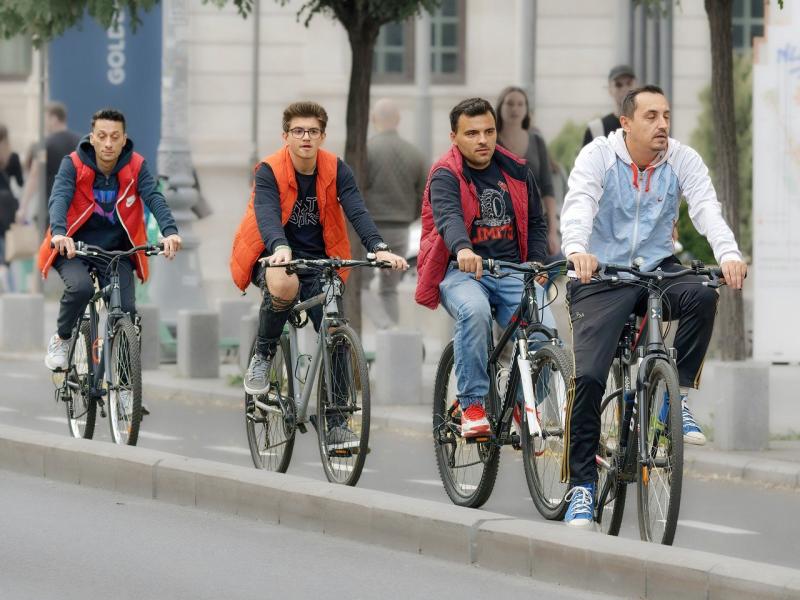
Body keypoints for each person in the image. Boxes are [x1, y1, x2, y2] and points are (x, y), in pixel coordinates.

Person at [560, 85, 748, 528]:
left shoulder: (681, 158)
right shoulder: (598, 157)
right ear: (625, 123)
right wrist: (577, 249)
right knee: (587, 377)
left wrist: (729, 254)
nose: (662, 124)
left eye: (666, 115)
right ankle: (582, 488)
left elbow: (706, 207)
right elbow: (579, 205)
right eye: (650, 116)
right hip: (599, 275)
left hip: (657, 269)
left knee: (703, 293)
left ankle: (672, 398)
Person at [229, 101, 407, 442]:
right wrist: (280, 247)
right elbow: (266, 212)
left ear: (323, 136)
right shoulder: (269, 169)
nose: (305, 137)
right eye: (298, 131)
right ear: (286, 136)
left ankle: (336, 422)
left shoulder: (336, 169)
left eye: (312, 131)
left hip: (322, 259)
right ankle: (263, 356)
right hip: (272, 254)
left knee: (335, 330)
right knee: (282, 284)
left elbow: (356, 209)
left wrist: (379, 247)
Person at [415, 97, 553, 437]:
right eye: (472, 133)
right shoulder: (445, 174)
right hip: (460, 272)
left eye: (489, 131)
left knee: (547, 334)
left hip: (511, 271)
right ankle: (472, 404)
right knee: (474, 311)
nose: (482, 140)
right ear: (454, 137)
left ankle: (521, 405)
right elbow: (448, 217)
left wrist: (537, 262)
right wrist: (463, 249)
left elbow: (537, 222)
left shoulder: (516, 170)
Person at [39, 108, 182, 371]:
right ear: (91, 138)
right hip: (73, 248)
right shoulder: (73, 164)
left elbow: (154, 197)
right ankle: (62, 339)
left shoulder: (136, 165)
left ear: (124, 139)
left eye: (114, 137)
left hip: (116, 251)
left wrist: (169, 231)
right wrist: (59, 232)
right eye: (102, 136)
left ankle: (126, 387)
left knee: (126, 310)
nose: (108, 143)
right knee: (81, 289)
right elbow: (59, 197)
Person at [362, 98, 428, 329]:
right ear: (398, 120)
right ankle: (393, 337)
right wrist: (409, 216)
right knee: (389, 289)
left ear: (372, 119)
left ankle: (386, 327)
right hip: (401, 230)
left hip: (369, 231)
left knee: (360, 285)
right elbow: (425, 194)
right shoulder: (415, 154)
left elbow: (356, 190)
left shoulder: (366, 151)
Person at [496, 86, 560, 258]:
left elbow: (547, 188)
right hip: (500, 224)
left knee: (557, 265)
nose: (515, 109)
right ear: (500, 107)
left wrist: (552, 232)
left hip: (534, 221)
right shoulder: (492, 142)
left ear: (526, 109)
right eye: (509, 104)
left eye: (520, 104)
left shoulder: (536, 140)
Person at [17, 102, 82, 235]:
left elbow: (34, 176)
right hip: (79, 208)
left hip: (53, 209)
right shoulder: (81, 142)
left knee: (52, 250)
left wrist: (23, 207)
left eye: (45, 118)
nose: (44, 123)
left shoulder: (44, 145)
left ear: (54, 118)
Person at [581, 65, 637, 147]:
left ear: (637, 86)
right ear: (610, 89)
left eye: (629, 83)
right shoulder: (596, 130)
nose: (625, 89)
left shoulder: (647, 125)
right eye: (618, 85)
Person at [0, 124, 25, 291]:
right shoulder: (13, 157)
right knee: (7, 245)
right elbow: (21, 183)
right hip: (7, 207)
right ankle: (8, 280)